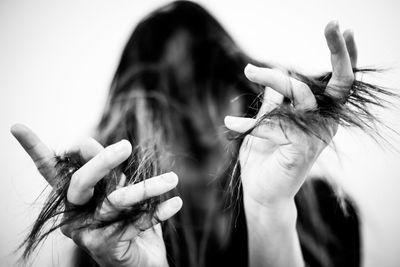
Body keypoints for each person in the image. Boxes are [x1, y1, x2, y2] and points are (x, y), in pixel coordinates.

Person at [12, 1, 368, 266]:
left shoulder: (329, 218)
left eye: (212, 85)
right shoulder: (112, 243)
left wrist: (270, 212)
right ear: (135, 127)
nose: (200, 120)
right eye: (174, 99)